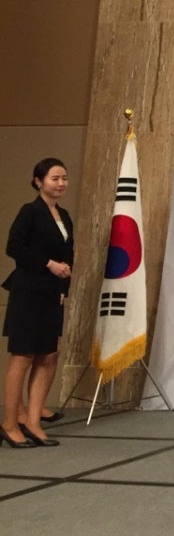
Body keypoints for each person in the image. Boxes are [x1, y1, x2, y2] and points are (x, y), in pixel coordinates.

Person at [2, 158, 73, 448]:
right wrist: (48, 264)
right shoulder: (29, 212)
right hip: (29, 292)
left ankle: (33, 421)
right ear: (38, 181)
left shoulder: (64, 215)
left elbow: (68, 254)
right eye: (55, 178)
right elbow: (13, 248)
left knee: (49, 355)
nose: (61, 183)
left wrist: (63, 286)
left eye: (64, 178)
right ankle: (9, 424)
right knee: (23, 357)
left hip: (52, 294)